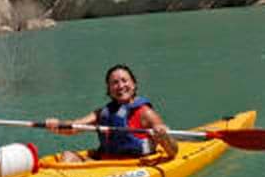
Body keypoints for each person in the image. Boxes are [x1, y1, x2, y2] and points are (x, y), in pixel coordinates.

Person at [45, 64, 178, 162]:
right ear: (109, 90)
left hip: (134, 166)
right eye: (114, 83)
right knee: (68, 156)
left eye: (124, 81)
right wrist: (57, 125)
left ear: (134, 84)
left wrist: (164, 136)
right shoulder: (102, 113)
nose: (120, 86)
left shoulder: (146, 114)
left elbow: (173, 151)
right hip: (105, 164)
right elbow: (73, 127)